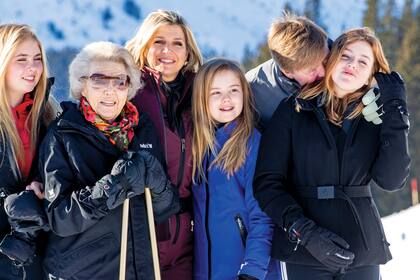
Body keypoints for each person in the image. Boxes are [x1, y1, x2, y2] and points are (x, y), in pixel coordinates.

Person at [253, 27, 410, 280]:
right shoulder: (293, 110)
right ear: (332, 59)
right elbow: (267, 184)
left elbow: (391, 180)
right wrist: (304, 232)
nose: (352, 65)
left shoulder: (376, 118)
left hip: (361, 246)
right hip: (303, 249)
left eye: (363, 61)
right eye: (346, 56)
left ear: (373, 72)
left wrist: (396, 112)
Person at [30, 41, 178, 279]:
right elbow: (60, 217)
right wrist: (115, 186)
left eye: (120, 81)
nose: (110, 90)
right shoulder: (63, 134)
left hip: (138, 269)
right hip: (84, 272)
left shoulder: (143, 130)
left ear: (129, 87)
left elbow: (164, 210)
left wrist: (157, 181)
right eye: (99, 80)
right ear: (83, 86)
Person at [126, 10, 202, 279]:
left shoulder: (200, 93)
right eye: (158, 41)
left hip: (187, 237)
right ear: (144, 45)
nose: (167, 50)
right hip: (139, 230)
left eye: (177, 43)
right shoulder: (128, 90)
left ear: (188, 52)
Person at [191, 58, 281, 280]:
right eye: (215, 93)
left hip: (248, 272)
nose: (226, 99)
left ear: (245, 93)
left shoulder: (252, 144)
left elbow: (263, 216)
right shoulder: (200, 146)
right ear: (202, 99)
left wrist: (252, 270)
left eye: (234, 90)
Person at [0, 23, 57, 280]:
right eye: (21, 59)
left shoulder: (48, 114)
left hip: (36, 252)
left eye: (37, 59)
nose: (32, 68)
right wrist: (15, 203)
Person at [246, 13, 329, 131]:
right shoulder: (253, 91)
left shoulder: (343, 58)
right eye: (312, 70)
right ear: (287, 72)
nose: (323, 73)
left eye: (325, 62)